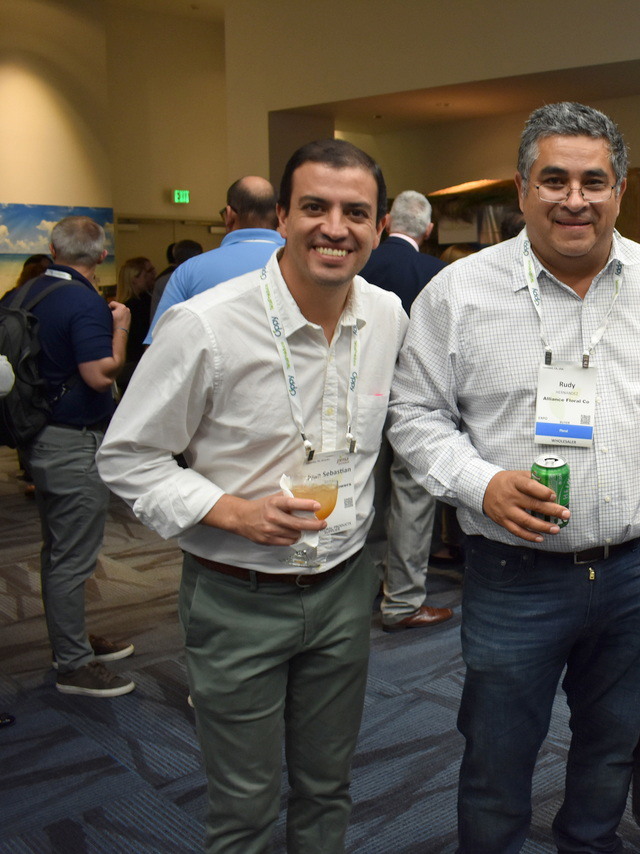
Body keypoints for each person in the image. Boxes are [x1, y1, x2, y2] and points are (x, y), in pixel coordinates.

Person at [387, 101, 640, 853]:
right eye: (554, 180)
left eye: (593, 182)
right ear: (522, 188)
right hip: (513, 579)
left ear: (618, 189)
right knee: (497, 759)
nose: (575, 199)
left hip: (633, 573)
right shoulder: (458, 292)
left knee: (610, 750)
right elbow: (412, 413)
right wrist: (479, 482)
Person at [98, 139, 406, 853]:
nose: (335, 227)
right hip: (238, 595)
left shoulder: (387, 315)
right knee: (244, 808)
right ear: (282, 219)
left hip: (343, 588)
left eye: (356, 212)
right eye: (316, 207)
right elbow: (127, 456)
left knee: (328, 788)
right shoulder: (206, 325)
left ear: (380, 227)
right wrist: (232, 511)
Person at [1, 216, 136, 697]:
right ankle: (73, 664)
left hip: (37, 435)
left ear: (53, 250)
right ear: (101, 255)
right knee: (71, 557)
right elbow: (101, 373)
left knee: (59, 550)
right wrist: (121, 327)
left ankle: (71, 640)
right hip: (70, 442)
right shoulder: (84, 300)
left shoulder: (23, 294)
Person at [359, 190, 451, 630]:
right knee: (412, 498)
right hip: (416, 401)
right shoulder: (438, 273)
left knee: (366, 494)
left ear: (385, 223)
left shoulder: (361, 264)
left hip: (362, 394)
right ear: (428, 230)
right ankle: (403, 600)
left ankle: (363, 589)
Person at [145, 176, 283, 343]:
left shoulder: (188, 272)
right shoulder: (299, 264)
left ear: (229, 215)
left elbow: (159, 347)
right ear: (279, 214)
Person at [113, 255, 155, 387]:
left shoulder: (121, 306)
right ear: (134, 278)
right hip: (138, 366)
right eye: (148, 272)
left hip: (128, 366)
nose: (153, 274)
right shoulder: (138, 306)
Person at [149, 238, 202, 326]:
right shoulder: (202, 279)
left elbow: (155, 318)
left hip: (168, 329)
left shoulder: (162, 282)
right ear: (198, 256)